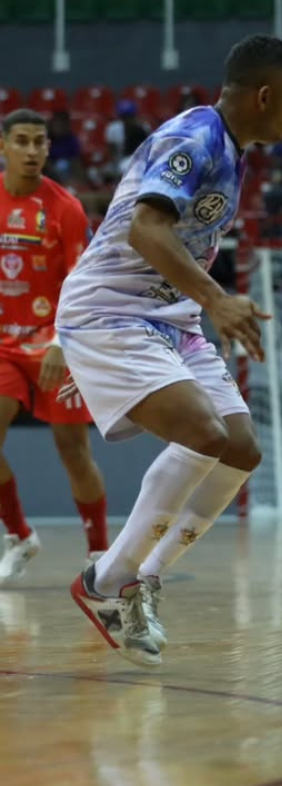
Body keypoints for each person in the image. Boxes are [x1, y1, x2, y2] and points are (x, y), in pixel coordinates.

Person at [58, 35, 282, 666]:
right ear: (266, 95)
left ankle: (143, 577)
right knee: (201, 430)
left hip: (170, 314)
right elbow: (146, 228)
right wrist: (218, 299)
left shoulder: (234, 147)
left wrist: (201, 304)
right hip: (111, 310)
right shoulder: (194, 139)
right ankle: (110, 580)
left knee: (240, 447)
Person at [0, 110, 107, 583]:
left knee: (73, 450)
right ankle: (21, 536)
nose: (30, 150)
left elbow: (82, 285)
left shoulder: (65, 208)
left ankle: (99, 554)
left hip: (56, 342)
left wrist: (62, 342)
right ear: (3, 146)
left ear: (48, 149)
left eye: (39, 142)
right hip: (4, 344)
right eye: (20, 141)